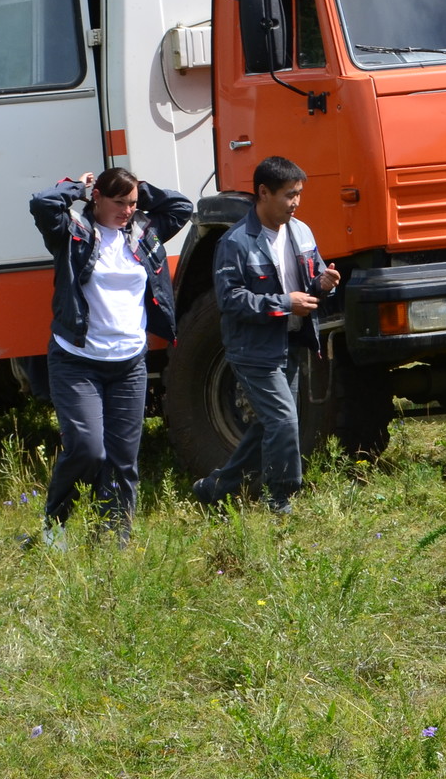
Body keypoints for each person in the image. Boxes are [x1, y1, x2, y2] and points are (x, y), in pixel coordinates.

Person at [29, 167, 194, 540]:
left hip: (129, 364)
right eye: (119, 202)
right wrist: (79, 186)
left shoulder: (143, 232)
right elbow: (42, 203)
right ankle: (55, 527)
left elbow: (181, 207)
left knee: (123, 459)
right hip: (76, 361)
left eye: (133, 203)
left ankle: (113, 539)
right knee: (88, 450)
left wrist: (138, 191)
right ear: (97, 198)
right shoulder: (71, 232)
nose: (127, 211)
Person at [192, 156, 340, 514]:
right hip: (252, 348)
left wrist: (323, 284)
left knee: (272, 424)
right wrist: (285, 302)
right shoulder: (235, 242)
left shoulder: (301, 231)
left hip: (289, 341)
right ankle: (281, 498)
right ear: (263, 193)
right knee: (283, 420)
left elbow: (313, 278)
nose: (296, 202)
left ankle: (216, 488)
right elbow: (231, 300)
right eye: (289, 195)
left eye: (299, 194)